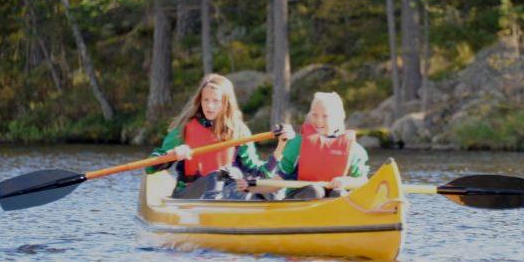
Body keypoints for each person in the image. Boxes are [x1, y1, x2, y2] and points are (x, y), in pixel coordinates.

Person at [147, 73, 293, 199]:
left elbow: (260, 173)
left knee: (261, 187)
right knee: (216, 177)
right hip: (189, 193)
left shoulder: (239, 131)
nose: (209, 106)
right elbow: (150, 168)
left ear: (225, 103)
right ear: (200, 101)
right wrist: (171, 154)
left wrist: (281, 145)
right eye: (206, 100)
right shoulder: (184, 128)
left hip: (226, 193)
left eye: (215, 101)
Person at [277, 91, 369, 199]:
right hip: (302, 195)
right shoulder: (297, 144)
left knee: (339, 194)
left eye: (325, 116)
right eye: (314, 115)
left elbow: (363, 181)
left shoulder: (354, 149)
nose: (318, 120)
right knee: (315, 191)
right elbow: (278, 177)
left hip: (336, 199)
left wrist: (347, 181)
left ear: (339, 118)